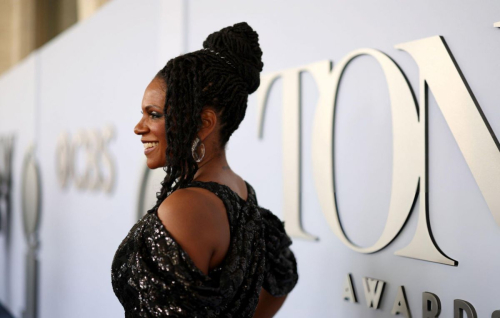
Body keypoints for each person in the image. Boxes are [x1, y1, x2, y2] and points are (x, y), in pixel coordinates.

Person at [111, 22, 298, 317]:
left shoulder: (186, 207)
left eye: (154, 114)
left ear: (204, 123)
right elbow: (282, 277)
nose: (139, 128)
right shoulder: (241, 190)